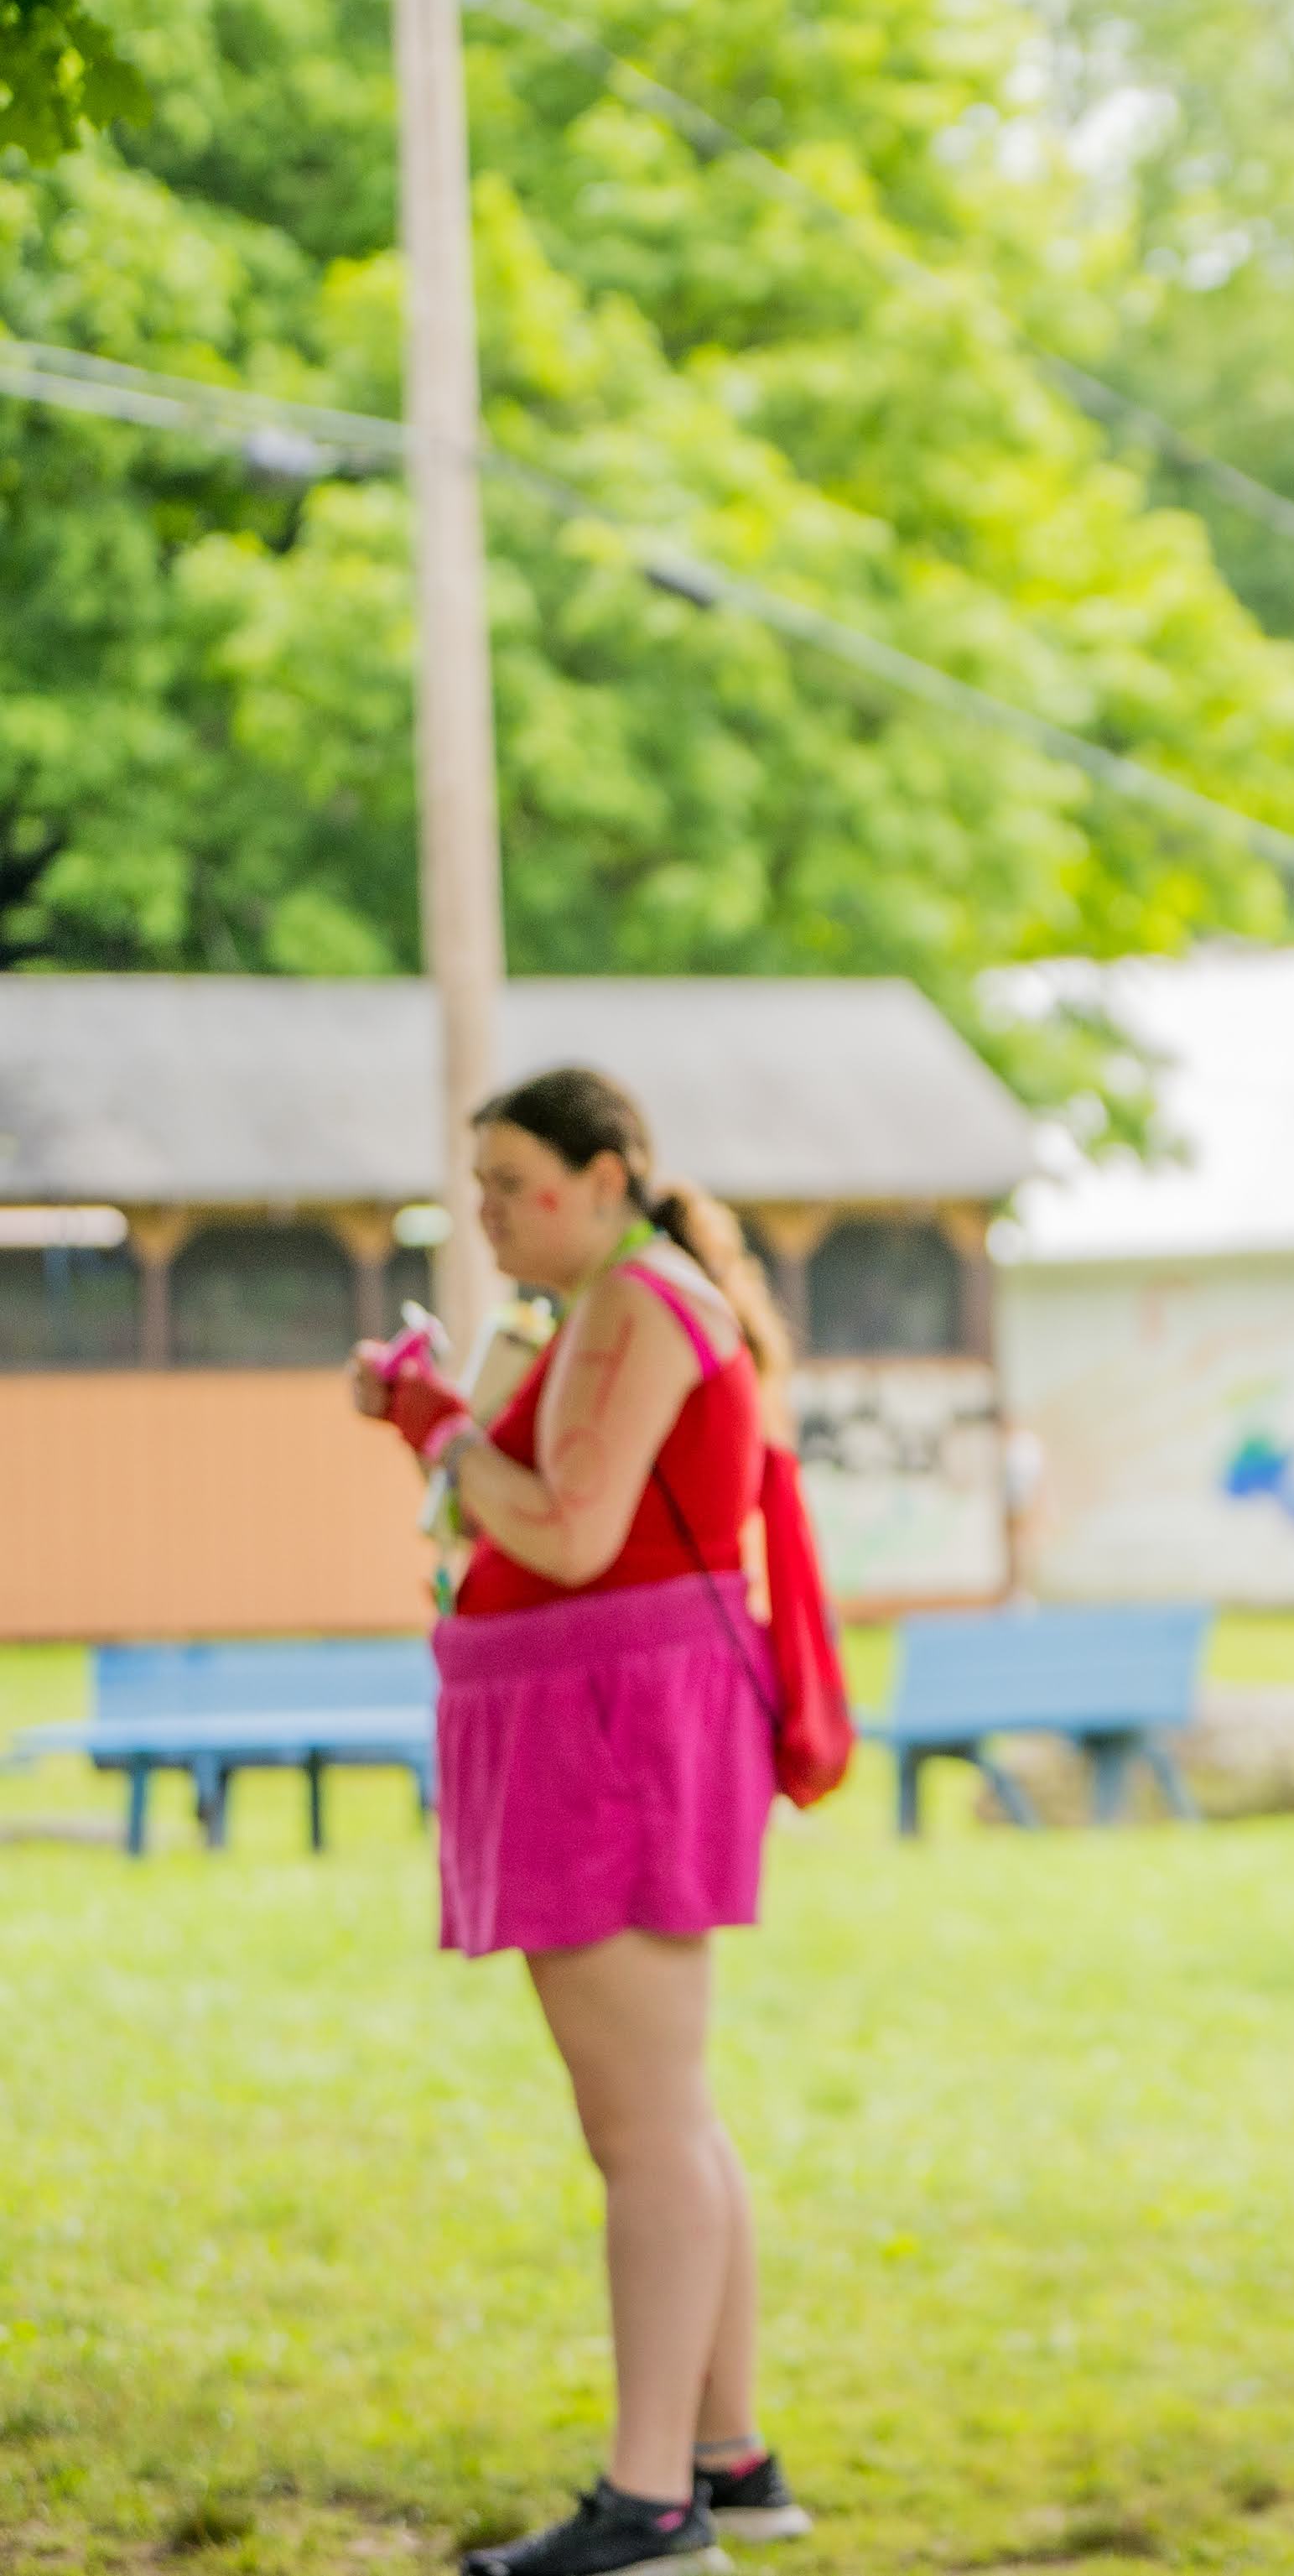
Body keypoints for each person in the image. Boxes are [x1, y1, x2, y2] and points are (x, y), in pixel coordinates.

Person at [349, 1070, 824, 2574]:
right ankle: (724, 2460)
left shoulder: (635, 1302)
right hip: (611, 1715)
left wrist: (435, 1421)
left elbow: (567, 1527)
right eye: (479, 1184)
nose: (487, 1212)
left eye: (513, 1181)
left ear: (605, 1176)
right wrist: (441, 1422)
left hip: (614, 1726)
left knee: (643, 2130)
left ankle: (651, 2505)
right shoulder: (621, 1300)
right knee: (666, 2114)